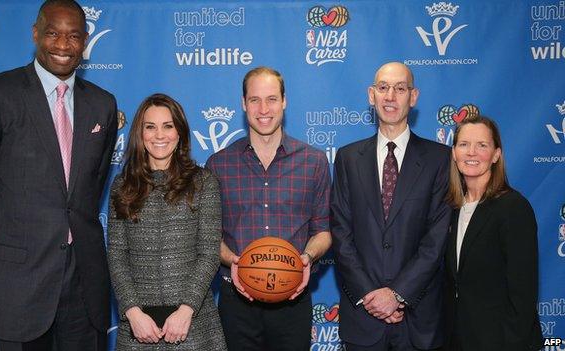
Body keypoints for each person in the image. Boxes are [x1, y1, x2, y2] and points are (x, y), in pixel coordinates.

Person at [0, 0, 118, 350]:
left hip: (84, 283)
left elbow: (89, 189)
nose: (62, 45)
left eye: (74, 36)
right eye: (53, 33)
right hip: (18, 282)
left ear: (85, 41)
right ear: (35, 34)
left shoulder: (102, 103)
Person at [205, 66, 332, 351]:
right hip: (236, 298)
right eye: (255, 100)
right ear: (243, 103)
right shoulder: (219, 164)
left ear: (284, 101)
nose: (264, 109)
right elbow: (208, 237)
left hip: (293, 300)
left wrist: (306, 258)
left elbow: (323, 231)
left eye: (272, 99)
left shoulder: (314, 162)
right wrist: (234, 261)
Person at [330, 62, 451, 350]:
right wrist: (372, 295)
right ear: (371, 95)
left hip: (418, 320)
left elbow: (436, 239)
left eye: (400, 88)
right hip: (363, 317)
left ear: (414, 96)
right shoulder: (347, 159)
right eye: (383, 88)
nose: (390, 96)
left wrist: (397, 294)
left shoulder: (441, 159)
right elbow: (341, 234)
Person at [107, 93, 227, 350]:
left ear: (180, 132)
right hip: (139, 328)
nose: (159, 135)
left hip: (192, 325)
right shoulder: (122, 185)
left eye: (168, 126)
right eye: (150, 127)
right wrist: (132, 312)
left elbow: (208, 253)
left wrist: (186, 311)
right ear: (140, 133)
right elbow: (117, 254)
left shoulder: (204, 182)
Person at [443, 115, 543, 351]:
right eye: (464, 144)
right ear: (454, 153)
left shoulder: (513, 207)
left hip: (501, 341)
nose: (471, 153)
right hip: (456, 340)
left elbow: (523, 291)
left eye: (482, 145)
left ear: (496, 155)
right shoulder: (451, 209)